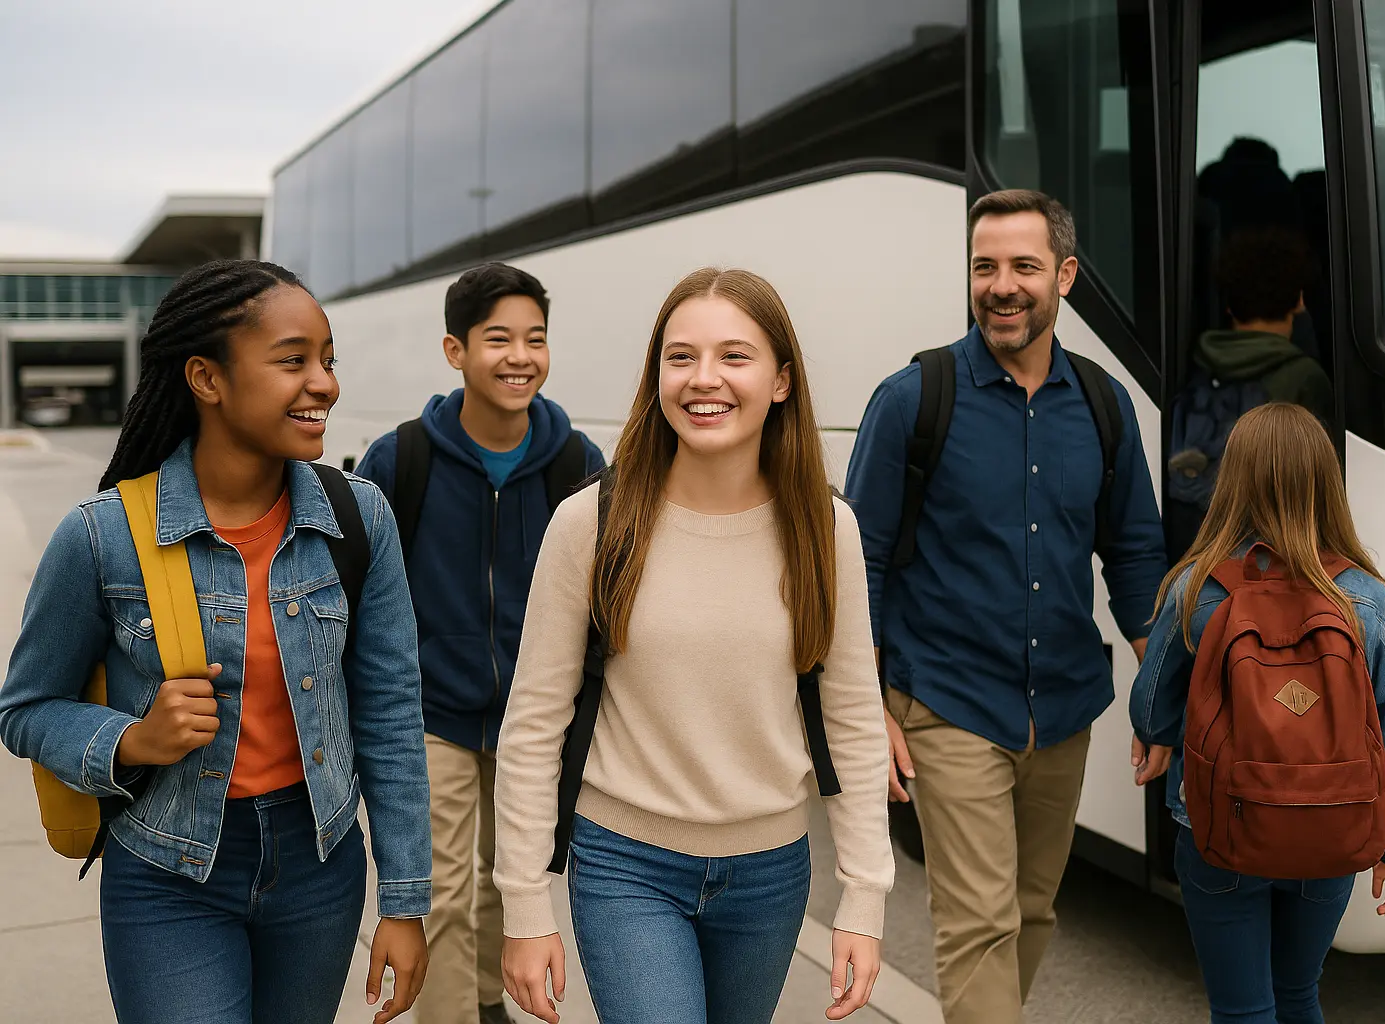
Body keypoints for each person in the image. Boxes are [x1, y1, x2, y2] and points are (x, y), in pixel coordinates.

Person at [0, 260, 432, 1023]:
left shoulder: (360, 517)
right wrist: (132, 738)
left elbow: (391, 715)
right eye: (293, 360)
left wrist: (404, 900)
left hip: (319, 866)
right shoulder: (103, 537)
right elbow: (26, 708)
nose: (324, 383)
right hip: (167, 869)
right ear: (207, 378)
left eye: (328, 360)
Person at [494, 267, 893, 1024]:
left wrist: (864, 897)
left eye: (734, 356)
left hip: (772, 873)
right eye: (680, 357)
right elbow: (534, 723)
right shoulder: (592, 522)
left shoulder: (825, 527)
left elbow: (853, 721)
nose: (703, 379)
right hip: (623, 866)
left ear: (781, 379)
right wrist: (524, 902)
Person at [845, 189, 1167, 1022]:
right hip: (948, 704)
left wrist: (1161, 692)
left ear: (1063, 275)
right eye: (984, 267)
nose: (1001, 285)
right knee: (980, 923)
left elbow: (1133, 557)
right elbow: (862, 565)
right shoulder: (913, 399)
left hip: (1062, 707)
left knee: (1031, 913)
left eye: (1023, 266)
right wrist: (867, 707)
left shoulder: (1102, 406)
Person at [354, 263, 603, 1024]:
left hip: (534, 717)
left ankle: (488, 1004)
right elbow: (361, 590)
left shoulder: (577, 464)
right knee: (443, 892)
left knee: (512, 877)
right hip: (433, 714)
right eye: (499, 339)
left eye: (535, 339)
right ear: (455, 350)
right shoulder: (402, 460)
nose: (520, 356)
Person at [1129, 403, 1385, 1024]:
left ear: (1231, 482)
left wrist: (1156, 735)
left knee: (1242, 1010)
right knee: (1299, 993)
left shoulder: (1198, 589)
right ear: (1326, 483)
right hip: (1331, 825)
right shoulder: (1366, 600)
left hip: (1220, 830)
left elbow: (1151, 698)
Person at [1164, 226, 1334, 560]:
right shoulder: (1305, 378)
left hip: (1194, 548)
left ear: (1228, 306)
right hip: (1266, 557)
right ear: (1298, 301)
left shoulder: (1193, 365)